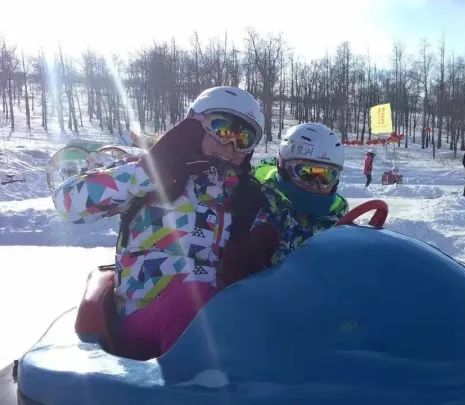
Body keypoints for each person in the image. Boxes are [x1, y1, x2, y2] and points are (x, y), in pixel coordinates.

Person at [53, 86, 264, 359]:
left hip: (213, 320)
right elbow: (68, 204)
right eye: (223, 130)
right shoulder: (148, 175)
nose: (231, 146)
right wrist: (151, 169)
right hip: (139, 316)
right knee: (192, 298)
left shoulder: (241, 197)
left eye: (244, 139)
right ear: (193, 127)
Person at [219, 122, 349, 285]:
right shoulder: (254, 202)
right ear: (284, 168)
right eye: (306, 173)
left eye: (327, 176)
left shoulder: (339, 220)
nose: (316, 184)